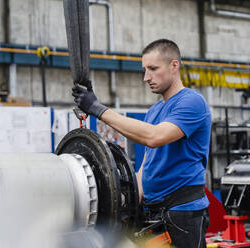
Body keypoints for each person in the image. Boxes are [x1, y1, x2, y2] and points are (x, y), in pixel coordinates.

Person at [72, 39, 211, 247]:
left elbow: (154, 137)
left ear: (174, 65)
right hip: (152, 213)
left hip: (183, 214)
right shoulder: (154, 111)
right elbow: (146, 166)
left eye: (153, 69)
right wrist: (124, 207)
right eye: (145, 70)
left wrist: (98, 109)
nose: (146, 77)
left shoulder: (192, 102)